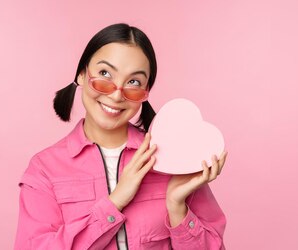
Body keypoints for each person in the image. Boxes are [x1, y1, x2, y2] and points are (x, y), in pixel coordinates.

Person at [14, 23, 228, 249]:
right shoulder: (44, 169)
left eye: (133, 82)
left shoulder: (173, 157)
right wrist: (114, 202)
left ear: (145, 93)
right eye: (105, 74)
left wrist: (177, 208)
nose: (117, 94)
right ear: (81, 74)